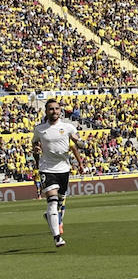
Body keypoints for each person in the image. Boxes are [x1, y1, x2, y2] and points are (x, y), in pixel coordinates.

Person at [31, 99, 85, 248]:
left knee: (60, 202)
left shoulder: (68, 127)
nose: (54, 111)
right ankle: (57, 237)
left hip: (64, 169)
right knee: (52, 201)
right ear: (46, 111)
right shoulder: (40, 129)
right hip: (47, 169)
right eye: (51, 109)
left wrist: (78, 141)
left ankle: (50, 218)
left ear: (60, 111)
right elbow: (34, 143)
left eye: (56, 109)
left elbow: (82, 145)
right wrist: (36, 154)